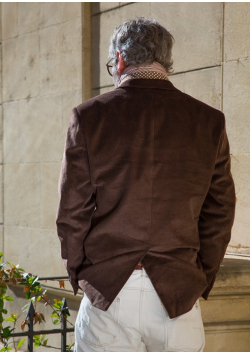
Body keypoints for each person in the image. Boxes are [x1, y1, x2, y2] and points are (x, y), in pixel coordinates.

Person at [55, 16, 236, 352]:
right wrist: (198, 277)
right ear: (165, 60)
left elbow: (71, 213)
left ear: (121, 60)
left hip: (110, 292)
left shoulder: (89, 116)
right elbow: (220, 212)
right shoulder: (208, 121)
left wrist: (84, 275)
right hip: (178, 291)